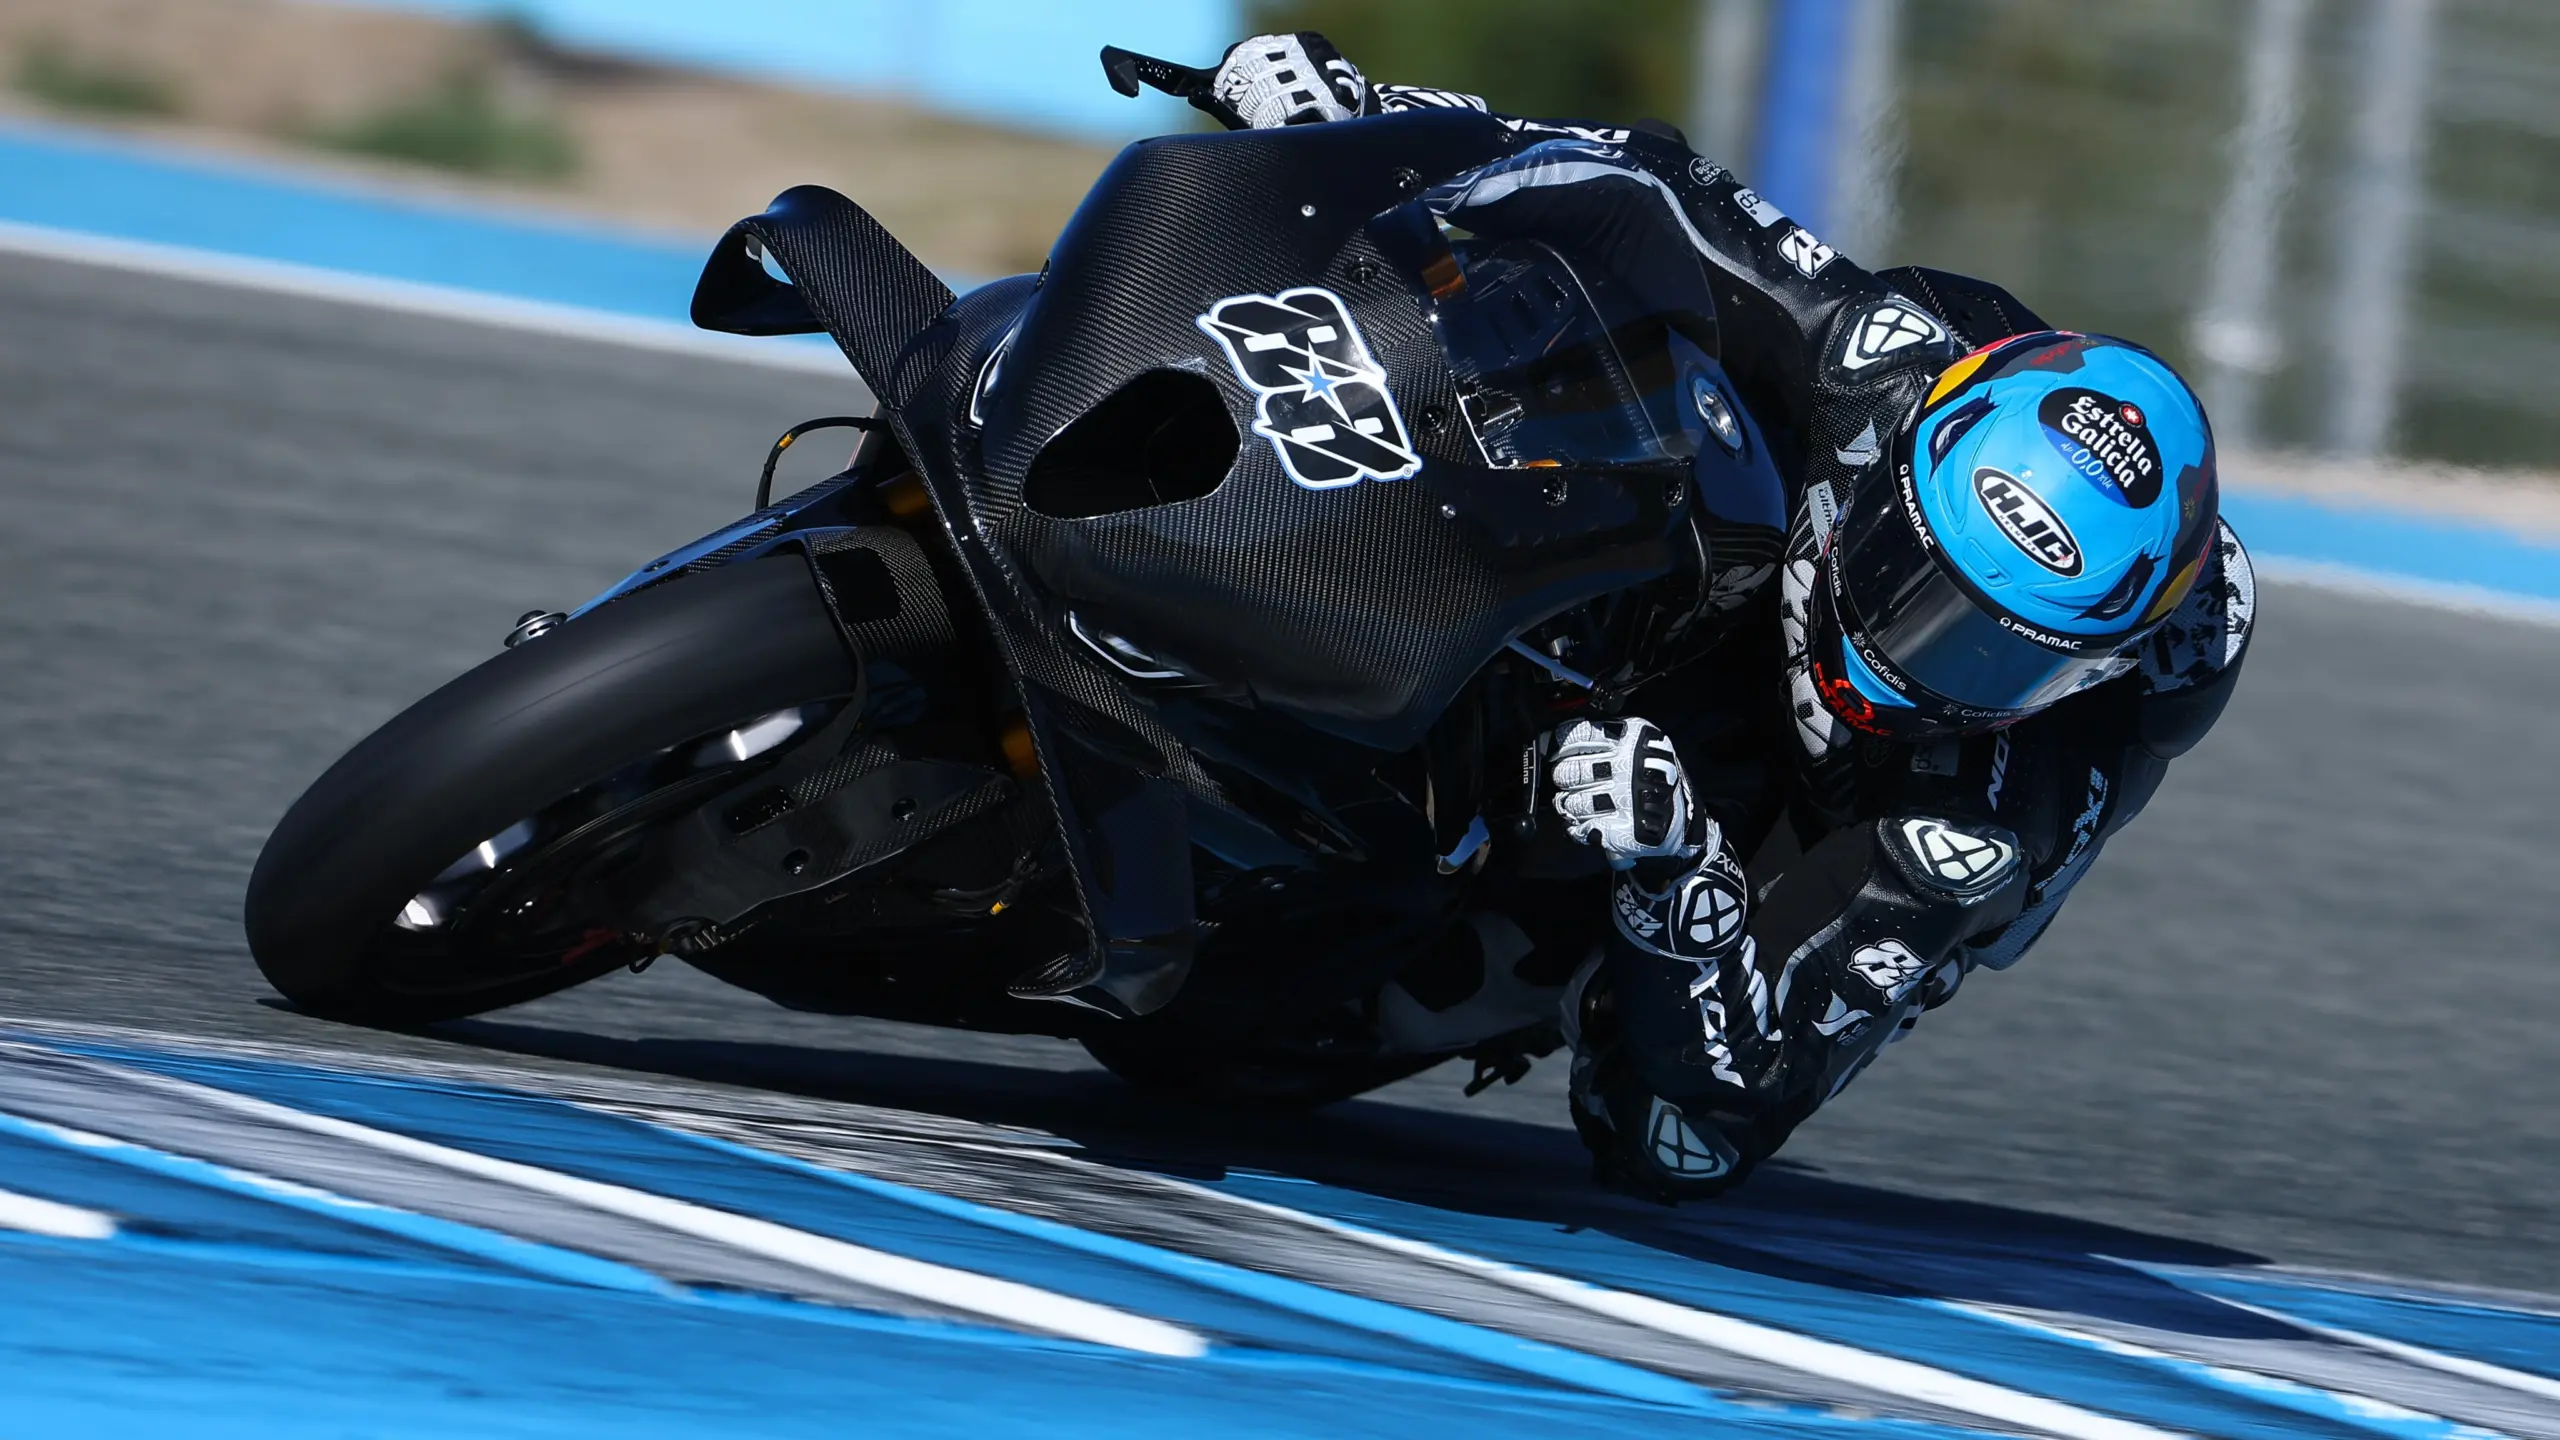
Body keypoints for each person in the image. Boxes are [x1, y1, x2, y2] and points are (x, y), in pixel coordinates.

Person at [1188, 34, 2257, 1199]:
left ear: (2078, 682)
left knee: (1624, 1100)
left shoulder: (1979, 825)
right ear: (1901, 471)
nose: (1920, 655)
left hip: (1784, 810)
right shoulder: (1881, 358)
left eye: (1994, 653)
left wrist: (1675, 875)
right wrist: (1364, 120)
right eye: (1917, 580)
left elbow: (1712, 1115)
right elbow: (1650, 184)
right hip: (1697, 539)